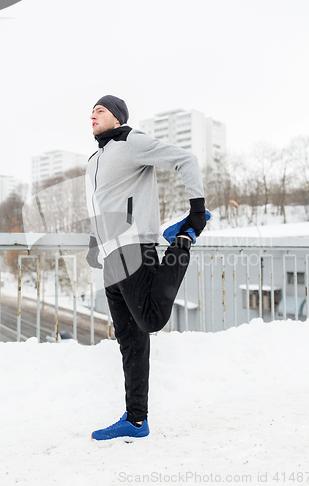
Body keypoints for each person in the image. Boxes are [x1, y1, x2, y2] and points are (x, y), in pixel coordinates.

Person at [86, 95, 208, 441]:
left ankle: (182, 239)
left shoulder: (130, 141)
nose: (93, 115)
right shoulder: (95, 158)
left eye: (101, 110)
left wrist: (196, 210)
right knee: (130, 340)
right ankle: (136, 420)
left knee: (151, 320)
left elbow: (186, 159)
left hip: (134, 245)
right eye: (91, 111)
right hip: (111, 254)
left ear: (118, 117)